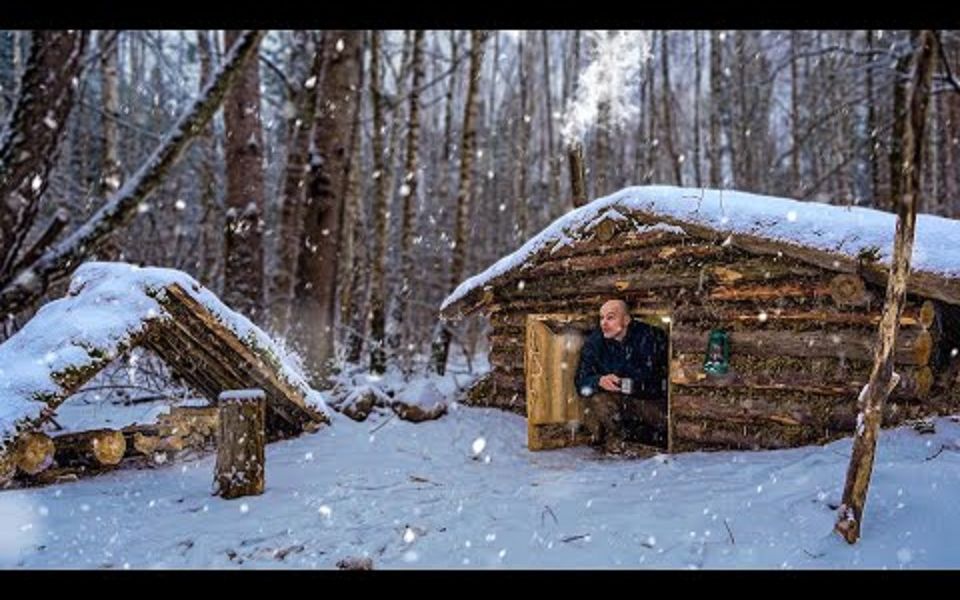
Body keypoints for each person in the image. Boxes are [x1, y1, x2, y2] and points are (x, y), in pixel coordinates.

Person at [575, 299, 665, 453]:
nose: (604, 323)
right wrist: (599, 380)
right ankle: (624, 439)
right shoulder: (595, 342)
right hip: (619, 402)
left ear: (626, 320)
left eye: (610, 317)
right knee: (598, 400)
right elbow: (580, 382)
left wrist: (630, 384)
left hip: (651, 402)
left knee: (664, 423)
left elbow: (661, 381)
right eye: (601, 318)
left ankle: (654, 440)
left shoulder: (649, 337)